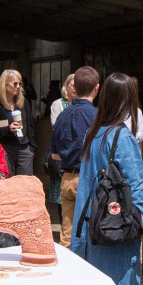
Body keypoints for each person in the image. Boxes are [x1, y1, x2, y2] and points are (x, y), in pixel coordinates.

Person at [70, 72, 143, 285]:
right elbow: (131, 184)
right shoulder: (123, 137)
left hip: (94, 225)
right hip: (115, 228)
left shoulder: (96, 133)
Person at [51, 66, 100, 248]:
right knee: (92, 233)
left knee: (67, 235)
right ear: (97, 87)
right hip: (90, 178)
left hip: (67, 178)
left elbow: (55, 154)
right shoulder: (98, 117)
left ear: (74, 88)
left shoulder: (62, 116)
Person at [0, 69, 35, 177]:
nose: (18, 86)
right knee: (8, 181)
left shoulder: (24, 103)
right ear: (5, 85)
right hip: (6, 148)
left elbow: (30, 125)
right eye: (15, 83)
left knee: (25, 183)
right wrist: (7, 129)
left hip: (24, 148)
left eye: (20, 84)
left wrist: (32, 147)